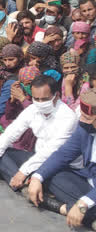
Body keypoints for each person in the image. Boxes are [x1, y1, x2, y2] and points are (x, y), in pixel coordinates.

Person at [28, 89, 96, 228]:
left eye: (88, 118)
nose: (82, 121)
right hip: (89, 183)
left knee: (84, 206)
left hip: (90, 196)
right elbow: (63, 154)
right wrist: (37, 177)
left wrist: (83, 204)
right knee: (49, 174)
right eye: (82, 116)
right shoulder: (85, 127)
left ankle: (63, 208)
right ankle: (84, 214)